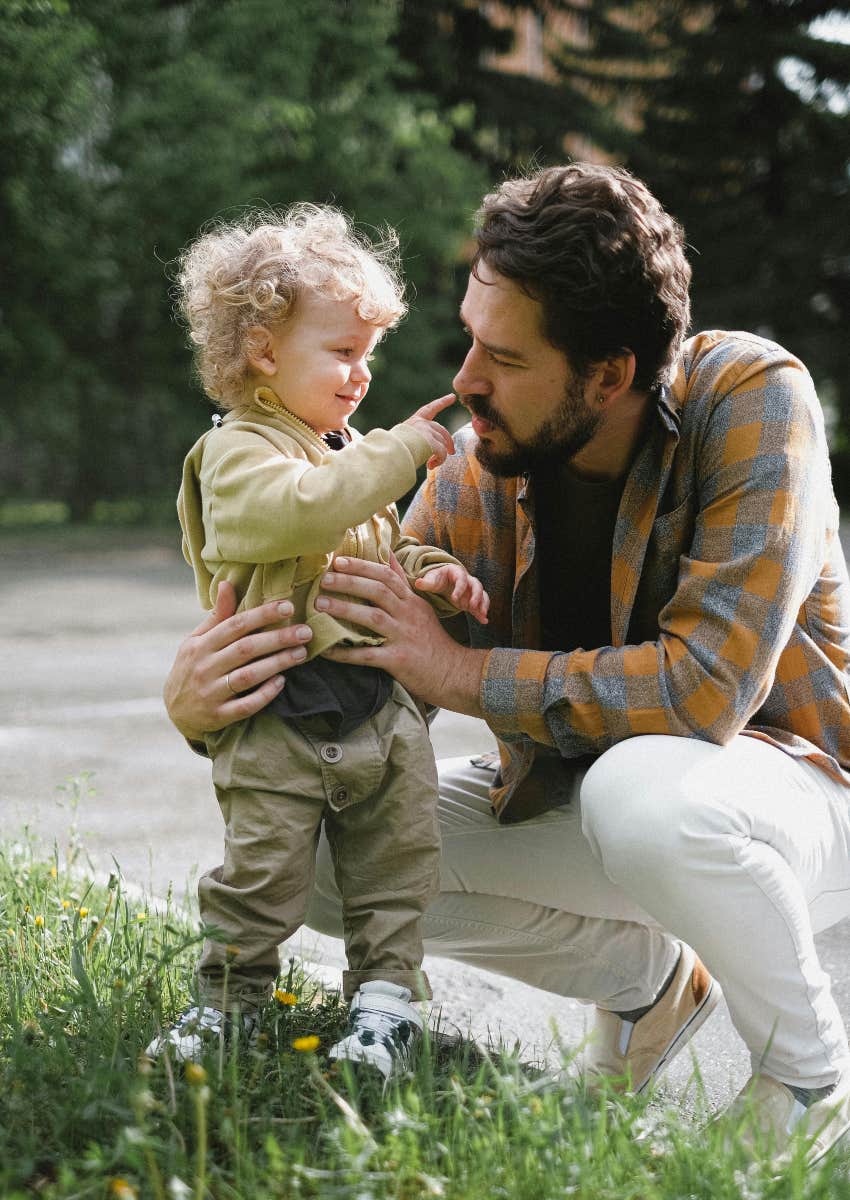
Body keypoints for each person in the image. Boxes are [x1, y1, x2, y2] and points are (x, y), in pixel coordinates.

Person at [163, 165, 850, 1164]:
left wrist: (455, 675)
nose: (466, 377)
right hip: (584, 801)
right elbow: (373, 666)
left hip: (788, 796)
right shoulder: (479, 460)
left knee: (643, 795)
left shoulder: (747, 396)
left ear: (607, 374)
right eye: (469, 337)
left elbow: (704, 691)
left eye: (503, 354)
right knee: (323, 855)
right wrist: (203, 703)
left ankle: (804, 1074)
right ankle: (652, 987)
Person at [148, 203, 489, 1080]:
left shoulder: (335, 453)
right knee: (259, 876)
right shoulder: (241, 452)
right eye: (343, 352)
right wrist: (403, 449)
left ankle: (383, 1008)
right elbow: (294, 514)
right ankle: (227, 1003)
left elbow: (368, 533)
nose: (362, 374)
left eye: (369, 355)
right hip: (278, 719)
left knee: (397, 869)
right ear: (264, 351)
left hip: (375, 715)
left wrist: (429, 569)